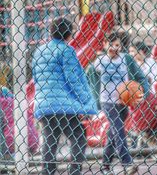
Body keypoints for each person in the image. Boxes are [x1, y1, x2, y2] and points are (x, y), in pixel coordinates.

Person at [32, 17, 97, 175]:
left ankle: (47, 172)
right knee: (78, 135)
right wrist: (86, 101)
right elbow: (73, 78)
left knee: (50, 139)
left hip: (44, 103)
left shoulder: (39, 51)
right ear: (69, 35)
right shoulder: (67, 51)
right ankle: (74, 171)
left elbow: (35, 76)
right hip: (64, 104)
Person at [88, 33, 150, 175]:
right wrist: (94, 100)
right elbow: (90, 77)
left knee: (113, 134)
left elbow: (141, 76)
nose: (114, 48)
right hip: (107, 102)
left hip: (123, 102)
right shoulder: (99, 61)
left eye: (117, 45)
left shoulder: (126, 59)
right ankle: (127, 163)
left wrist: (143, 94)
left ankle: (105, 167)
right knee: (119, 129)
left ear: (121, 46)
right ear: (104, 45)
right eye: (111, 45)